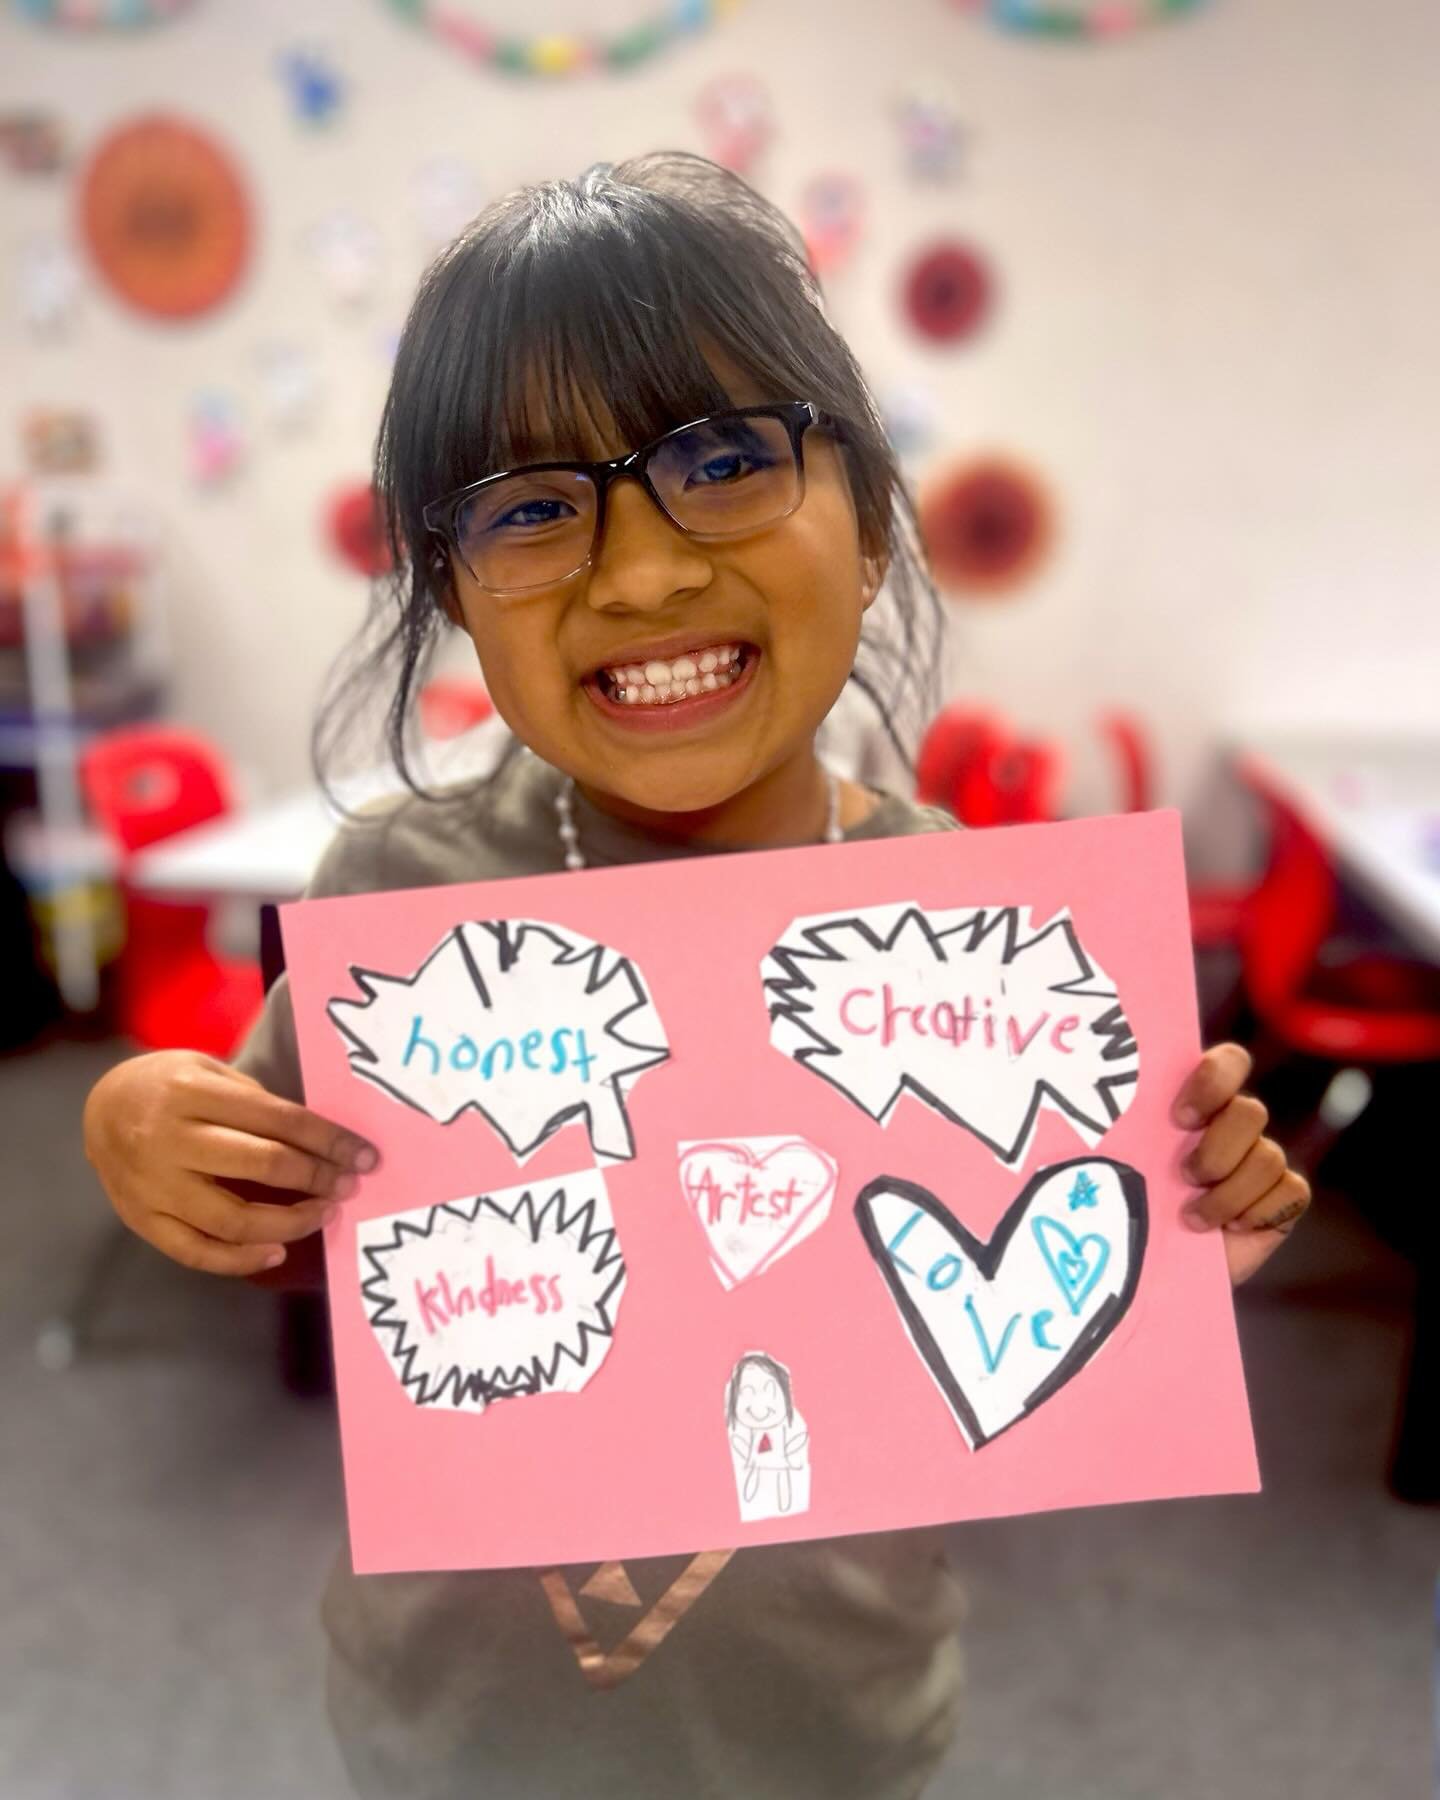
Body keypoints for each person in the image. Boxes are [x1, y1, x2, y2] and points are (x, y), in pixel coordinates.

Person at [82, 154, 1312, 1800]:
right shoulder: (400, 896)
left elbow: (1052, 1300)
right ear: (454, 593)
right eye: (529, 508)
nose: (642, 572)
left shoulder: (976, 930)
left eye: (726, 462)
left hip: (837, 1734)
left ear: (869, 530)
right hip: (454, 1734)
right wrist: (148, 1130)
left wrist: (1192, 1211)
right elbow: (301, 1238)